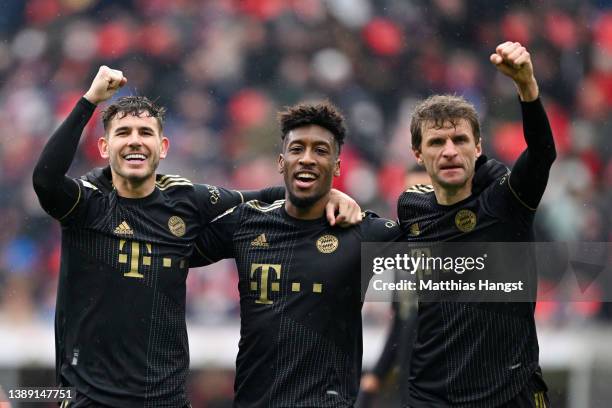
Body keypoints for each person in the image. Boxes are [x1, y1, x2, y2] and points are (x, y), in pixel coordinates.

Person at [32, 66, 360, 407]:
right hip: (90, 398)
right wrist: (89, 101)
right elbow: (44, 179)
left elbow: (264, 196)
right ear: (104, 146)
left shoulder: (187, 201)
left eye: (145, 132)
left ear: (163, 147)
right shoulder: (86, 204)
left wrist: (327, 195)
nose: (134, 140)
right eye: (123, 132)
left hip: (165, 400)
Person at [192, 101, 403, 407]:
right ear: (281, 161)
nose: (307, 159)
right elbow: (172, 240)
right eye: (297, 149)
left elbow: (473, 265)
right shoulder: (247, 222)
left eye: (320, 150)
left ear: (338, 165)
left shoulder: (362, 233)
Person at [397, 42, 556, 407]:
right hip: (432, 396)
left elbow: (543, 153)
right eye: (437, 142)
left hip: (508, 392)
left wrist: (527, 88)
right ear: (418, 154)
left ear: (478, 146)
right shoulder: (411, 207)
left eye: (460, 139)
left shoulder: (508, 200)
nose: (450, 150)